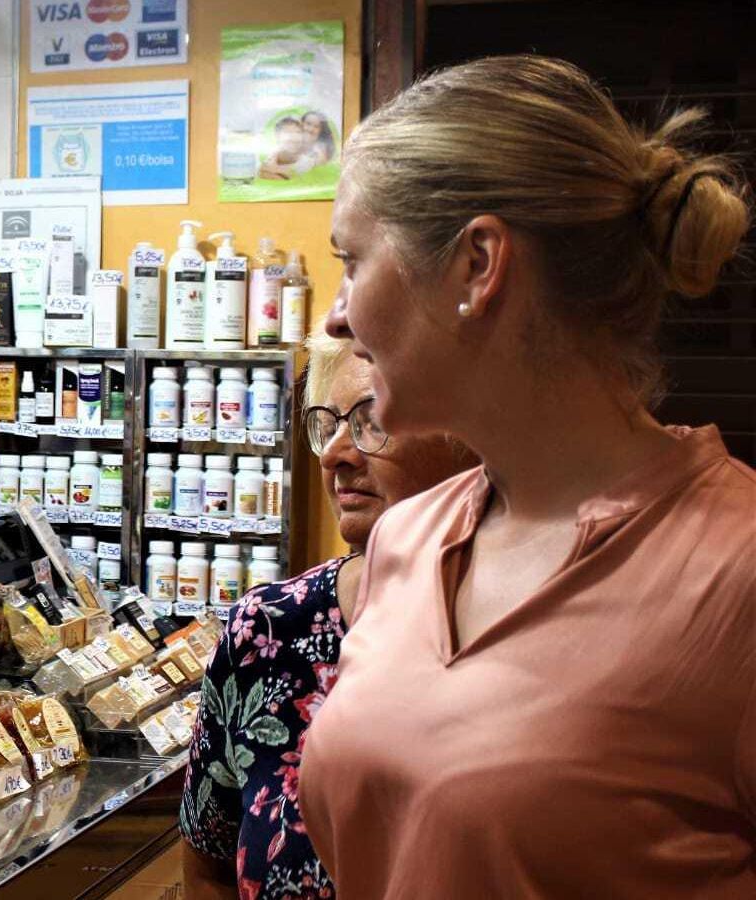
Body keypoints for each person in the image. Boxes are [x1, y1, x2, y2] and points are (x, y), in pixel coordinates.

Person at [301, 55, 756, 898]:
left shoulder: (735, 573)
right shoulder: (407, 541)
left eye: (351, 260)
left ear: (478, 263)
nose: (336, 313)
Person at [179, 324, 474, 900]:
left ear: (471, 436)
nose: (336, 454)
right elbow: (207, 859)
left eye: (372, 422)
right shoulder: (264, 631)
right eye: (327, 425)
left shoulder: (530, 630)